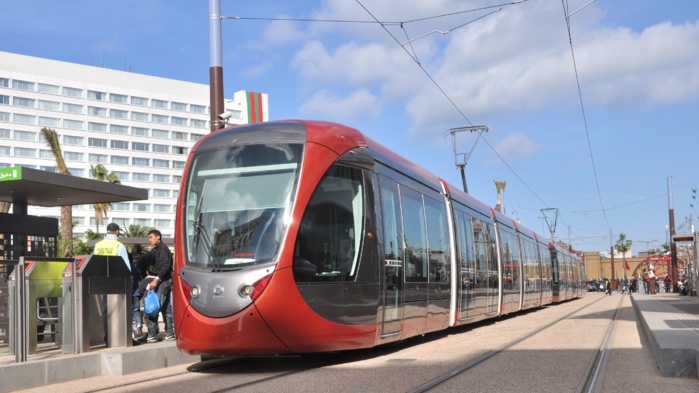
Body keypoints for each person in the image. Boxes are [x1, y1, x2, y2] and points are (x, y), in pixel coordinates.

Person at [144, 229, 174, 343]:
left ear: (158, 237)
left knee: (153, 307)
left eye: (151, 237)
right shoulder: (158, 249)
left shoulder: (162, 249)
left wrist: (156, 278)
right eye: (149, 237)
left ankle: (152, 334)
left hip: (162, 281)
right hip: (164, 281)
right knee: (166, 309)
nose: (149, 239)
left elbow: (166, 266)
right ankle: (169, 333)